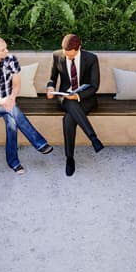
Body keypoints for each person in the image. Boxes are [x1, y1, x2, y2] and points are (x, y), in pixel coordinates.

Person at [0, 35, 53, 174]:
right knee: (12, 111)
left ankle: (14, 163)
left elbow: (16, 85)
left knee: (12, 122)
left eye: (6, 48)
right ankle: (39, 143)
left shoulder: (11, 60)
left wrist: (11, 98)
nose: (6, 51)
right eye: (3, 50)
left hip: (10, 102)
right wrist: (2, 102)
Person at [46, 33, 104, 176]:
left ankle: (69, 158)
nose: (68, 58)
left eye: (71, 56)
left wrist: (77, 95)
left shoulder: (91, 58)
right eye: (66, 55)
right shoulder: (56, 55)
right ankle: (93, 138)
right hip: (65, 97)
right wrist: (50, 88)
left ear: (79, 48)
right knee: (69, 103)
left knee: (68, 119)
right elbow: (52, 78)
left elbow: (94, 86)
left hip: (86, 98)